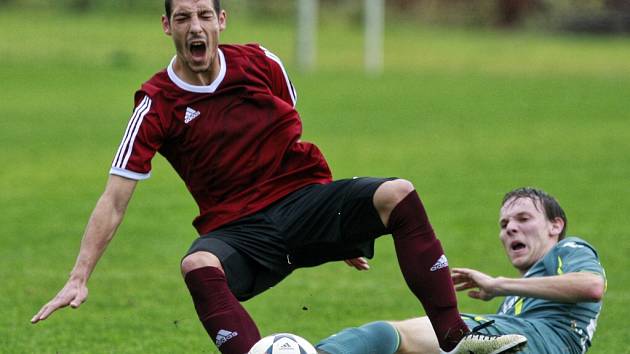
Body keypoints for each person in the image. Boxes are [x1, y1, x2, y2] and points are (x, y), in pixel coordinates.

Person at [30, 1, 525, 353]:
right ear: (167, 26)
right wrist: (79, 276)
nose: (195, 26)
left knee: (398, 193)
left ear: (221, 20)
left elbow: (291, 139)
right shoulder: (157, 104)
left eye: (204, 15)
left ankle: (456, 338)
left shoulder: (262, 63)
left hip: (302, 203)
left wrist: (340, 226)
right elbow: (115, 199)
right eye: (183, 17)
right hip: (241, 232)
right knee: (198, 264)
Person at [315, 187, 606, 354]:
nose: (511, 228)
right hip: (523, 340)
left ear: (556, 225)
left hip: (531, 340)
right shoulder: (517, 302)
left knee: (390, 335)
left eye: (523, 218)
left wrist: (498, 285)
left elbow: (592, 287)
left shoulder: (569, 249)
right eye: (504, 225)